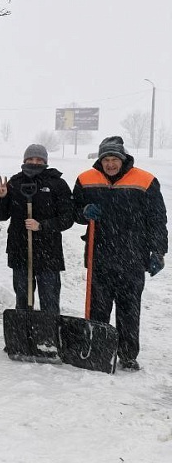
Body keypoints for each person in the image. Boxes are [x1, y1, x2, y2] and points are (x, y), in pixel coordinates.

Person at [72, 136, 167, 371]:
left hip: (133, 256)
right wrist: (84, 212)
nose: (111, 164)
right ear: (100, 160)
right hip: (99, 255)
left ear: (123, 159)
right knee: (98, 308)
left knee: (129, 309)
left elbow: (157, 218)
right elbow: (72, 211)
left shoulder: (145, 180)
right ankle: (98, 349)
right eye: (106, 159)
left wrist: (159, 251)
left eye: (115, 159)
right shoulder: (86, 179)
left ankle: (127, 354)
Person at [0, 144, 74, 314]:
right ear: (24, 160)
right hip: (20, 250)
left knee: (49, 300)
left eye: (39, 159)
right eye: (30, 159)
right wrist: (0, 197)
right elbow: (1, 215)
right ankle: (23, 336)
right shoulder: (14, 182)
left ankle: (49, 335)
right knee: (22, 300)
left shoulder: (57, 184)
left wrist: (42, 226)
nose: (34, 162)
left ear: (45, 161)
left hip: (48, 253)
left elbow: (67, 218)